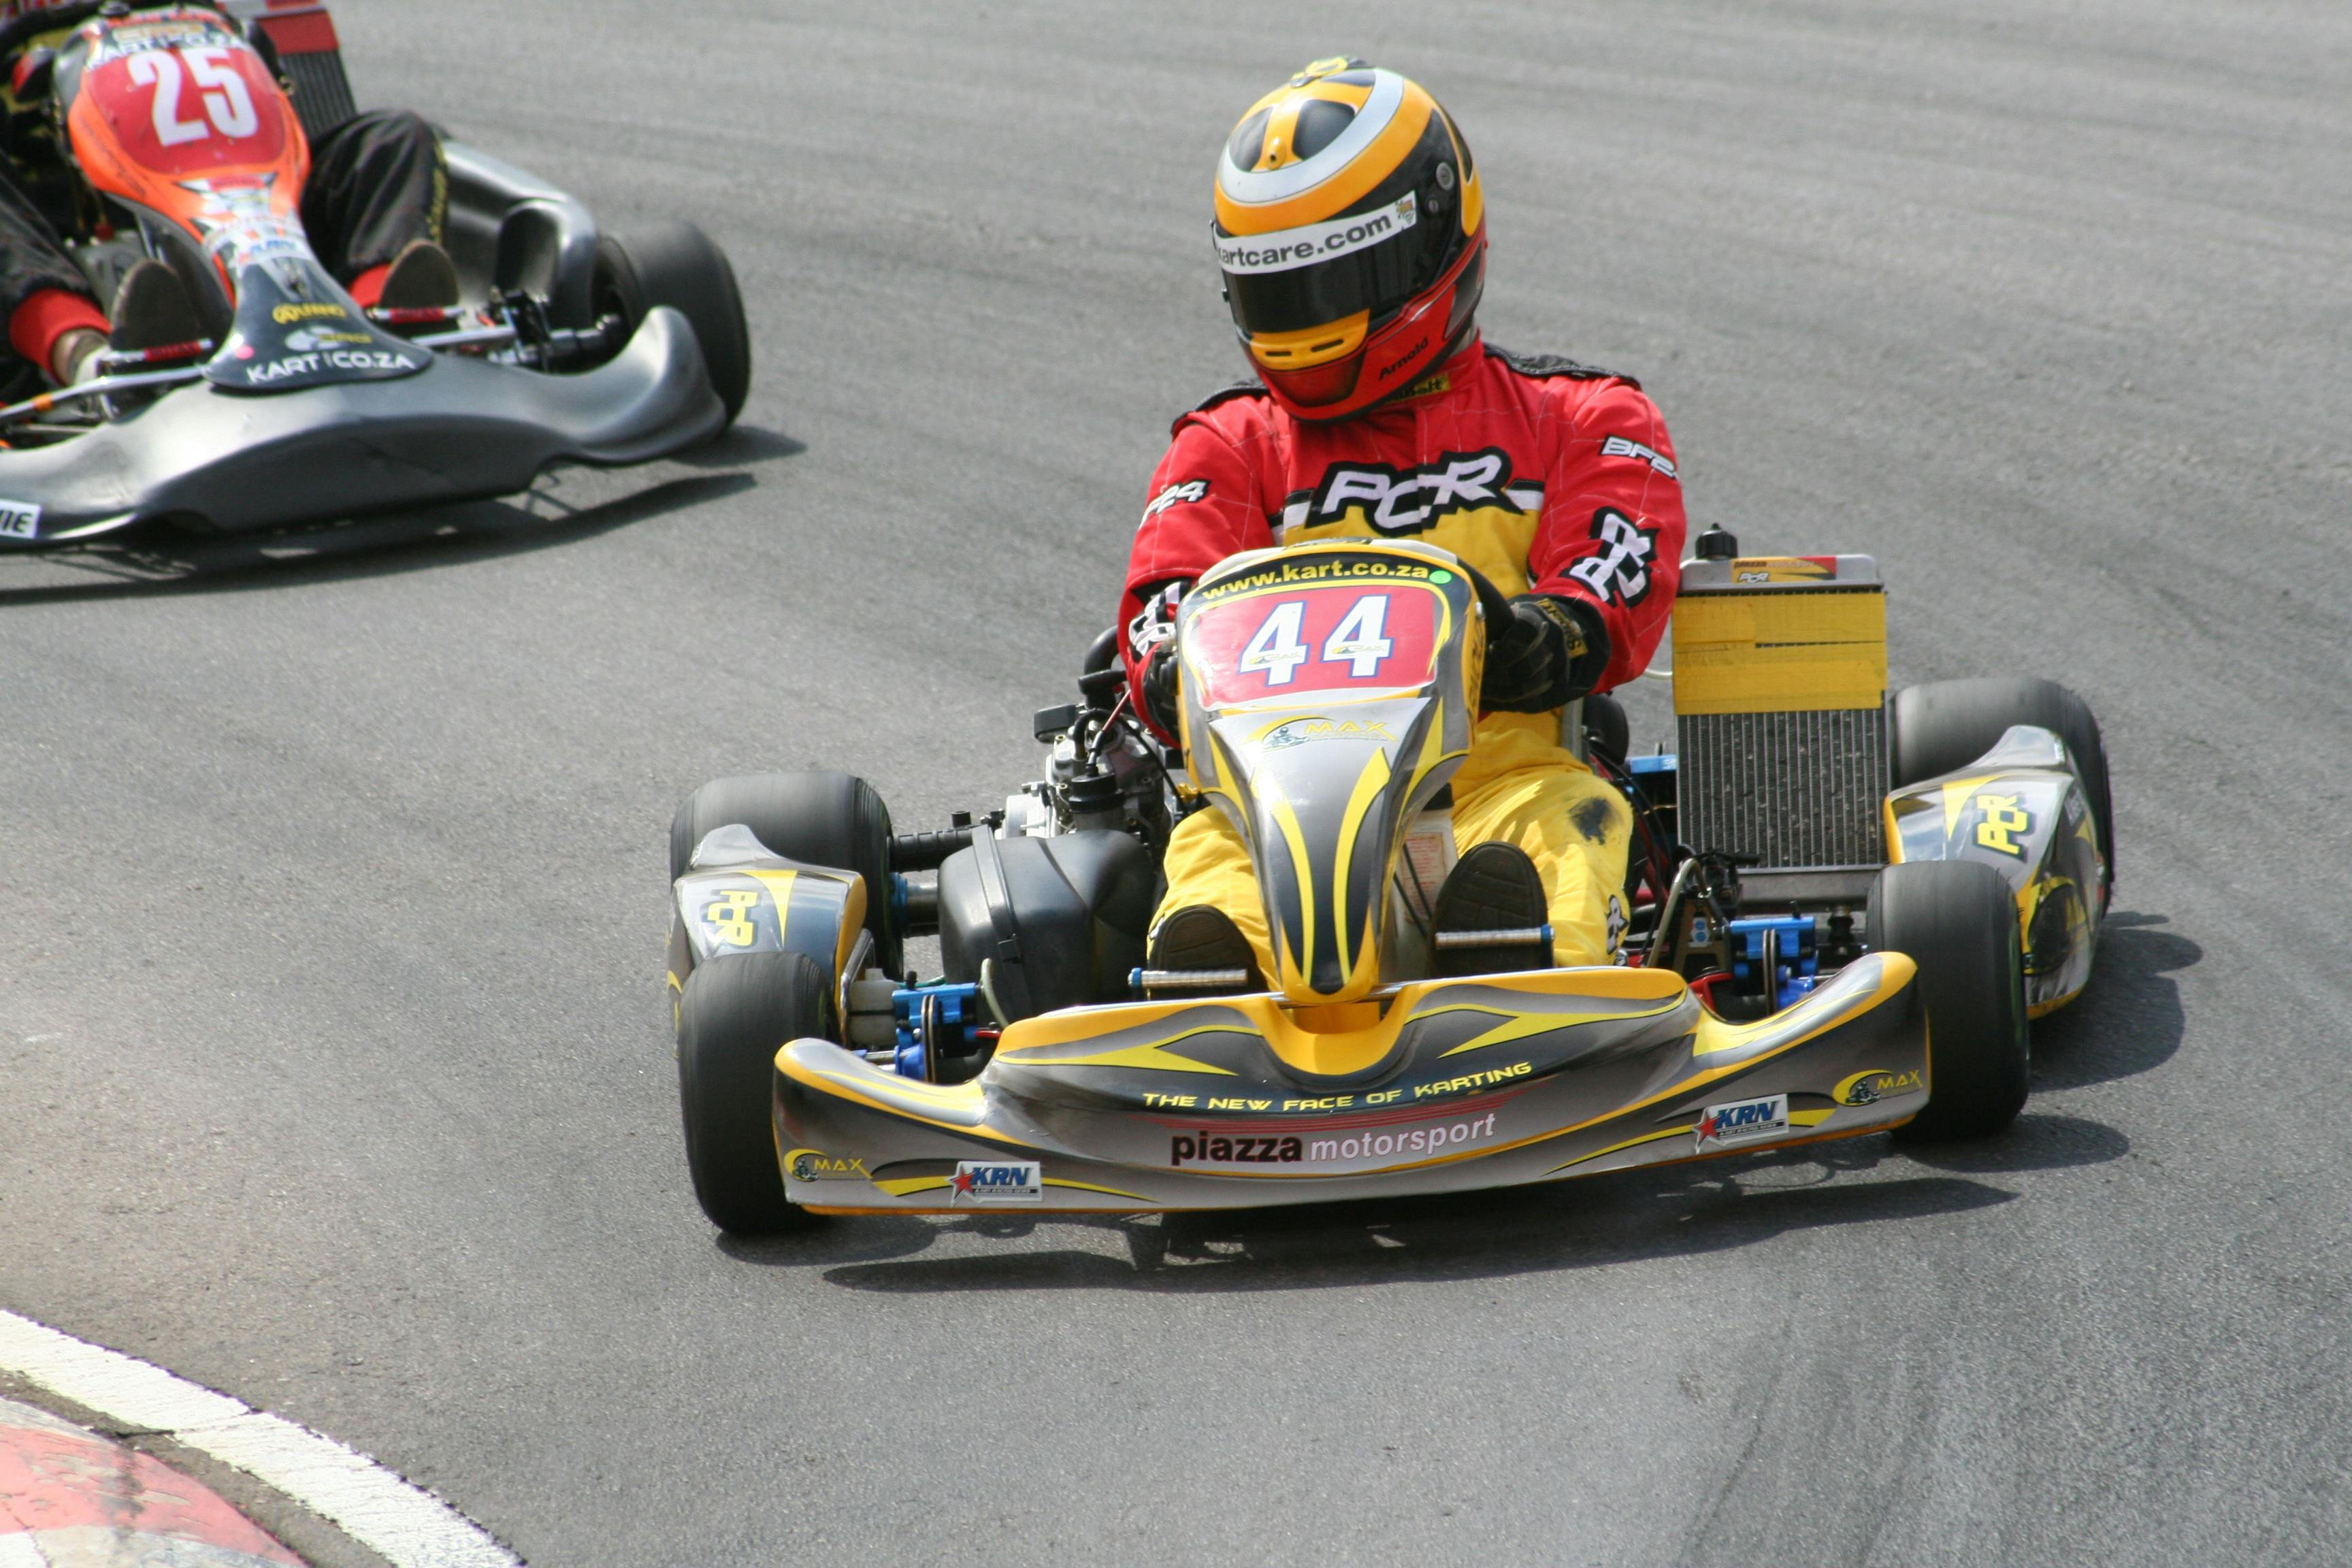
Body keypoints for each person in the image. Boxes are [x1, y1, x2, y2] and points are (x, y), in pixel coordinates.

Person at [1121, 56, 1688, 987]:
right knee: (1210, 870)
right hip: (1273, 806)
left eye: (1342, 278)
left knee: (1569, 833)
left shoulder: (1583, 418)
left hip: (1502, 780)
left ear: (1432, 242)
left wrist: (1545, 635)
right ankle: (1217, 1012)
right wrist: (1174, 664)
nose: (1311, 320)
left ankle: (1519, 984)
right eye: (1284, 292)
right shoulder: (1229, 443)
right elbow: (1160, 607)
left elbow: (1611, 581)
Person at [0, 0, 455, 388]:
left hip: (234, 182)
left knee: (396, 136)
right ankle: (88, 358)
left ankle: (385, 321)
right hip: (54, 214)